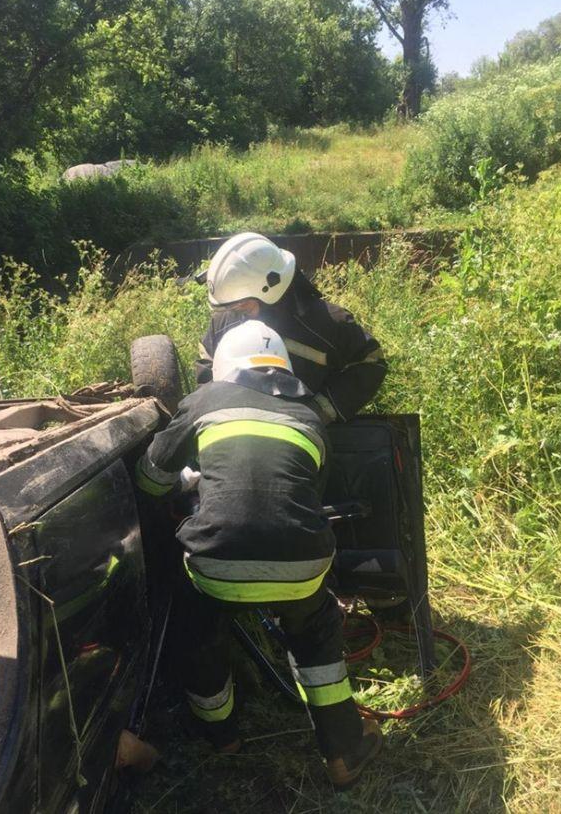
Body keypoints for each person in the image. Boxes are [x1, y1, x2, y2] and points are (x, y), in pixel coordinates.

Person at [135, 320, 383, 789]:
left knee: (200, 628)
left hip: (217, 566)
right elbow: (301, 499)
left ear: (226, 367)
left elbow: (151, 479)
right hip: (305, 566)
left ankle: (222, 736)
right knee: (316, 637)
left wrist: (187, 487)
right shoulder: (310, 417)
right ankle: (344, 750)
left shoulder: (204, 401)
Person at [195, 232, 387, 424]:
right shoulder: (224, 321)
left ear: (271, 290)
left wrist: (320, 410)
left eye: (243, 306)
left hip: (309, 434)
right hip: (235, 430)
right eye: (229, 307)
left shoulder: (327, 324)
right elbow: (207, 364)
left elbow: (371, 362)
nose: (235, 313)